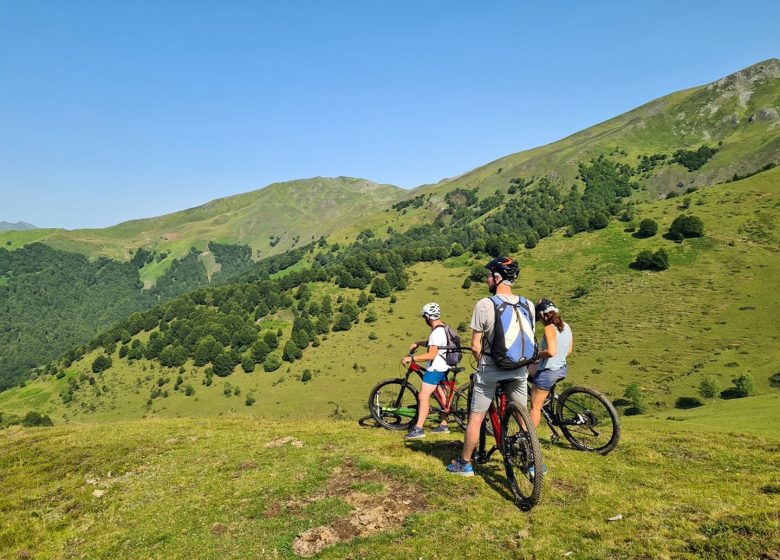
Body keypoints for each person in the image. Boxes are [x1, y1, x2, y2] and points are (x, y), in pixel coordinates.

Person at [447, 257, 535, 476]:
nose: (487, 279)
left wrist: (483, 366)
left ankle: (464, 463)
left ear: (498, 278)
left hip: (491, 368)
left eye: (489, 275)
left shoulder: (485, 305)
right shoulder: (528, 304)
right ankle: (533, 462)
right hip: (519, 369)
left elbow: (476, 345)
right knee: (522, 416)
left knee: (476, 418)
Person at [400, 302, 451, 439]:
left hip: (435, 368)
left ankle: (419, 429)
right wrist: (419, 342)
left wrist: (412, 358)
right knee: (441, 395)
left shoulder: (436, 332)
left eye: (425, 317)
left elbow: (431, 355)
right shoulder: (443, 327)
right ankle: (444, 424)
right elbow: (435, 345)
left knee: (423, 396)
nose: (425, 320)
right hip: (444, 366)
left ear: (428, 317)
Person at [528, 299, 573, 428]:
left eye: (539, 318)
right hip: (561, 369)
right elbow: (568, 350)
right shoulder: (566, 325)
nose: (540, 322)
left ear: (542, 315)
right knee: (529, 368)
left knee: (535, 408)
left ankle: (528, 438)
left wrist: (537, 354)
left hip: (548, 372)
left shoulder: (549, 329)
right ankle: (547, 397)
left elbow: (551, 352)